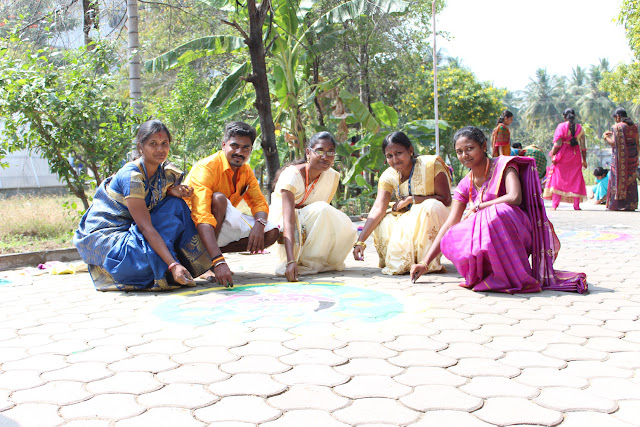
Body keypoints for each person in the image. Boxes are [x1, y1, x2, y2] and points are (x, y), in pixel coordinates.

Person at [410, 126, 587, 294]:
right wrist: (425, 263)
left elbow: (514, 197)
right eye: (459, 151)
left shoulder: (504, 165)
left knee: (495, 213)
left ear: (484, 146)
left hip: (518, 229)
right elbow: (450, 222)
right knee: (455, 232)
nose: (464, 155)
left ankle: (514, 276)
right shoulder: (466, 183)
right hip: (492, 234)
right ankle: (491, 274)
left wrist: (479, 207)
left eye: (470, 148)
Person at [74, 120, 211, 291]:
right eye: (153, 144)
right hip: (113, 243)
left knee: (176, 205)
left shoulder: (163, 174)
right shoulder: (132, 177)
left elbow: (154, 205)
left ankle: (177, 266)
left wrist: (169, 193)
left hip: (134, 233)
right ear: (140, 147)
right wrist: (172, 264)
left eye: (164, 144)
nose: (160, 149)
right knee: (146, 261)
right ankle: (170, 267)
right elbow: (146, 227)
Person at [184, 121, 279, 287]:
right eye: (234, 146)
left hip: (218, 226)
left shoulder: (246, 171)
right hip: (191, 228)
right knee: (219, 199)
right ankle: (208, 262)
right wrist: (219, 261)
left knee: (271, 233)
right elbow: (202, 216)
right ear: (223, 145)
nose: (239, 152)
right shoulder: (207, 168)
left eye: (245, 148)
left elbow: (258, 202)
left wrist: (260, 223)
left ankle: (209, 256)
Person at [353, 131, 451, 275]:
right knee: (384, 221)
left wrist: (412, 199)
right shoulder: (388, 176)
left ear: (410, 150)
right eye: (389, 156)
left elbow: (446, 199)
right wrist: (360, 242)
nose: (395, 159)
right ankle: (406, 263)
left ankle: (427, 261)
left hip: (435, 215)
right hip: (408, 217)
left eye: (399, 153)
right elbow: (378, 208)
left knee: (430, 207)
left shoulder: (430, 165)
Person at [268, 132, 356, 281]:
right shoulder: (291, 175)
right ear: (309, 153)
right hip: (282, 223)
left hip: (306, 220)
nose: (325, 156)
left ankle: (314, 261)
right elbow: (288, 220)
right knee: (322, 209)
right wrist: (290, 261)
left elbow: (323, 218)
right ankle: (297, 261)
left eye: (330, 152)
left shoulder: (332, 176)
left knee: (341, 222)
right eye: (320, 151)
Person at [543, 108, 587, 210]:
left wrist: (552, 154)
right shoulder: (580, 128)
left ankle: (555, 205)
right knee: (576, 178)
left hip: (562, 156)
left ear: (564, 116)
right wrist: (584, 160)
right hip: (575, 156)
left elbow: (558, 144)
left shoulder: (561, 126)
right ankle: (576, 205)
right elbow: (583, 146)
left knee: (558, 179)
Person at [602, 107, 639, 211]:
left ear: (618, 117)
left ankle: (617, 204)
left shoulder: (618, 127)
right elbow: (637, 143)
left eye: (615, 117)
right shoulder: (634, 127)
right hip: (632, 157)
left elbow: (614, 143)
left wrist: (605, 137)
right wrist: (637, 158)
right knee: (631, 180)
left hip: (620, 160)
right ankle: (631, 204)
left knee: (616, 179)